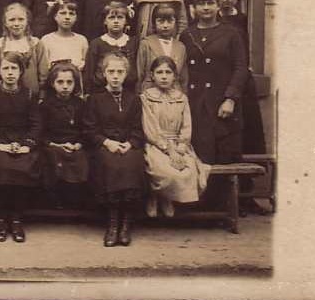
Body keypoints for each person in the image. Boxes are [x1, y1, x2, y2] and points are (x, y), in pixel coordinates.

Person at [214, 0, 268, 215]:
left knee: (247, 135)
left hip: (241, 86)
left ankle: (246, 195)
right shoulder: (210, 19)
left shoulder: (244, 20)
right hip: (218, 84)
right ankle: (225, 197)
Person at [84, 53, 145, 247]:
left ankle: (125, 225)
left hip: (128, 145)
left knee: (131, 163)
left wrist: (131, 143)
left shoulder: (134, 100)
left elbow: (138, 128)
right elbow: (90, 129)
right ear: (104, 74)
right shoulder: (95, 99)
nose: (116, 76)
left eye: (120, 72)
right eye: (111, 71)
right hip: (105, 146)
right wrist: (106, 142)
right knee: (110, 164)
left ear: (126, 74)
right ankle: (112, 225)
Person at [181, 0, 247, 165]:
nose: (206, 7)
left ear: (218, 6)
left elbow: (241, 68)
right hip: (196, 103)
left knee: (224, 156)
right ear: (194, 8)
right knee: (200, 158)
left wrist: (230, 98)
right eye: (201, 3)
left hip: (221, 104)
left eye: (210, 3)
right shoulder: (187, 35)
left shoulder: (231, 33)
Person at [0, 52, 42, 243]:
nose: (10, 73)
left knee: (23, 166)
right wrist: (0, 144)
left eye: (14, 68)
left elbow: (36, 125)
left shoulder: (30, 94)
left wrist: (26, 145)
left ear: (21, 71)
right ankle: (0, 218)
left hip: (22, 143)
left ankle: (16, 218)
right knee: (4, 167)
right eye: (5, 68)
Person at [141, 56, 210, 219]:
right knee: (163, 170)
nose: (164, 76)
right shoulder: (146, 97)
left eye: (168, 72)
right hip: (156, 145)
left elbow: (186, 127)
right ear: (152, 75)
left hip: (179, 145)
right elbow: (150, 129)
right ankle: (155, 197)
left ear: (175, 76)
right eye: (159, 72)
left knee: (187, 170)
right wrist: (168, 149)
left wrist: (180, 148)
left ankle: (167, 198)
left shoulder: (181, 98)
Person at [40, 62, 88, 208]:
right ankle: (55, 199)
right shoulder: (45, 106)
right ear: (53, 84)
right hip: (53, 145)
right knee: (53, 158)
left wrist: (78, 144)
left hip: (75, 145)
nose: (65, 86)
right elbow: (41, 132)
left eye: (69, 82)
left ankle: (74, 198)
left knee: (80, 159)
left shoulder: (81, 105)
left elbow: (86, 130)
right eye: (60, 82)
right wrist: (55, 145)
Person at [0, 3, 49, 95]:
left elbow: (43, 74)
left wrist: (41, 96)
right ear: (5, 23)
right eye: (12, 20)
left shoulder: (36, 44)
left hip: (32, 96)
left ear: (27, 21)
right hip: (4, 96)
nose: (16, 24)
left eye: (21, 19)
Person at [83, 1, 138, 94]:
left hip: (128, 92)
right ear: (105, 21)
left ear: (126, 21)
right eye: (111, 18)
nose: (116, 21)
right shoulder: (97, 44)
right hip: (101, 92)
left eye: (120, 17)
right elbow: (89, 73)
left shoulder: (133, 43)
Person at [136, 2, 188, 93]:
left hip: (174, 94)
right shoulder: (146, 44)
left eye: (170, 21)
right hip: (150, 92)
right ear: (154, 23)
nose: (165, 25)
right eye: (161, 21)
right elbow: (140, 74)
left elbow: (183, 78)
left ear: (175, 22)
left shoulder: (180, 47)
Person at [40, 0, 88, 71]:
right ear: (55, 16)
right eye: (63, 13)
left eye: (71, 14)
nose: (67, 17)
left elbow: (85, 63)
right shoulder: (46, 40)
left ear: (76, 18)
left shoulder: (81, 40)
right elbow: (44, 67)